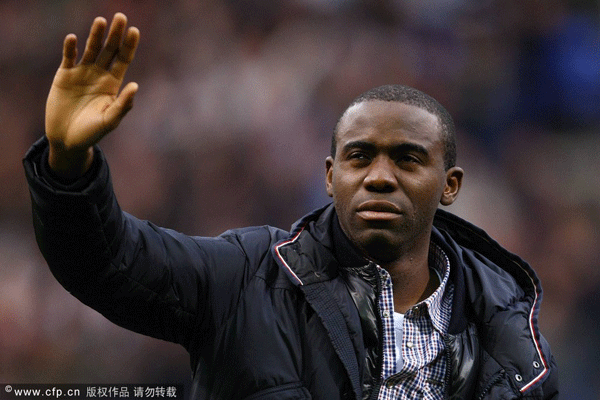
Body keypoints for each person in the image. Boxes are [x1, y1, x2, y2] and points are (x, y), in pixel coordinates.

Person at [23, 12, 558, 400]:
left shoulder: (512, 342)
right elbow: (109, 262)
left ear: (450, 185)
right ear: (330, 177)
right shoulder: (247, 274)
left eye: (408, 159)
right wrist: (68, 164)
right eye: (358, 157)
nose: (378, 177)